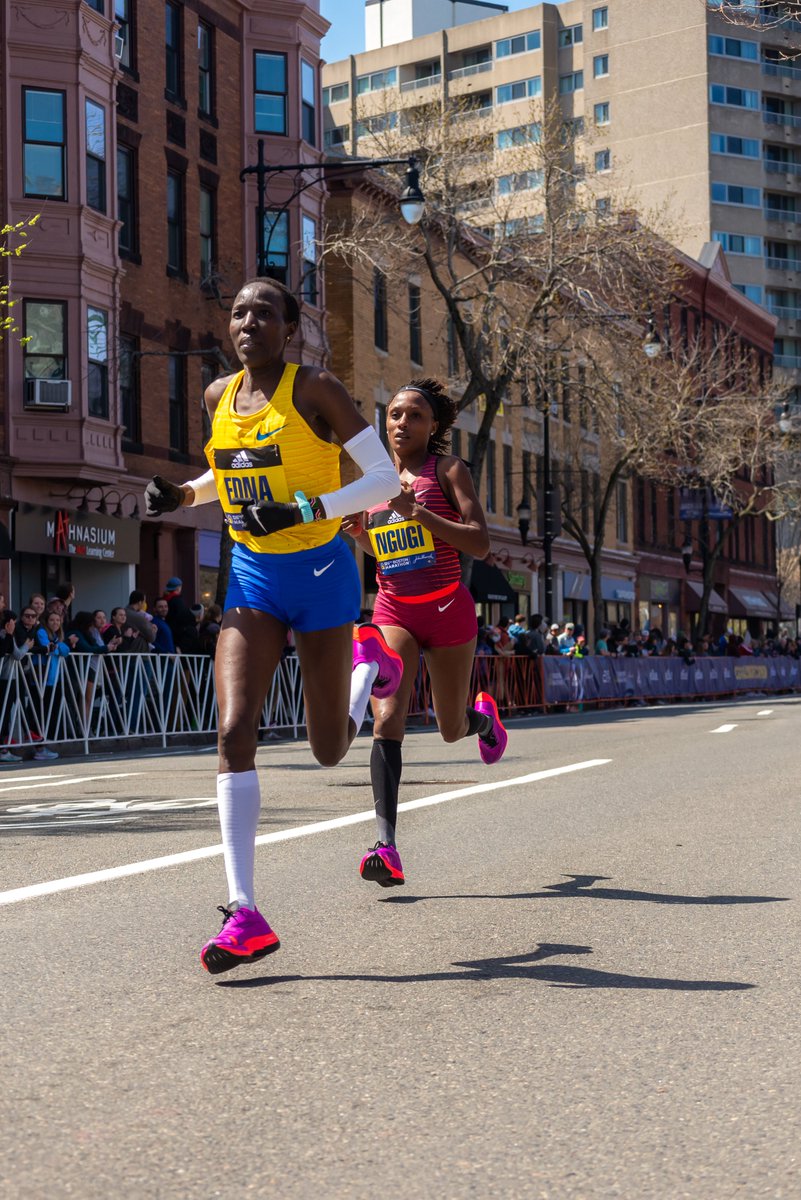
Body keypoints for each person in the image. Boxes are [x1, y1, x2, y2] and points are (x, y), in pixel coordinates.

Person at [144, 275, 401, 975]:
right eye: (239, 311)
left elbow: (384, 481)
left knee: (326, 750)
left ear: (289, 329)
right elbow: (225, 475)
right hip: (253, 579)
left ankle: (368, 674)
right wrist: (181, 493)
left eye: (265, 311)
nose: (248, 320)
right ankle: (244, 910)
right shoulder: (216, 397)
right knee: (233, 730)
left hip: (321, 577)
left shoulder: (314, 388)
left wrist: (307, 511)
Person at [342, 377, 507, 890]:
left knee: (449, 728)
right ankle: (385, 845)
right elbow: (391, 552)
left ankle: (482, 721)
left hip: (449, 610)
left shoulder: (449, 470)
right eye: (393, 414)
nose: (401, 423)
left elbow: (479, 544)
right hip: (394, 609)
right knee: (387, 717)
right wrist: (361, 537)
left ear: (433, 425)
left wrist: (421, 513)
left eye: (414, 415)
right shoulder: (372, 479)